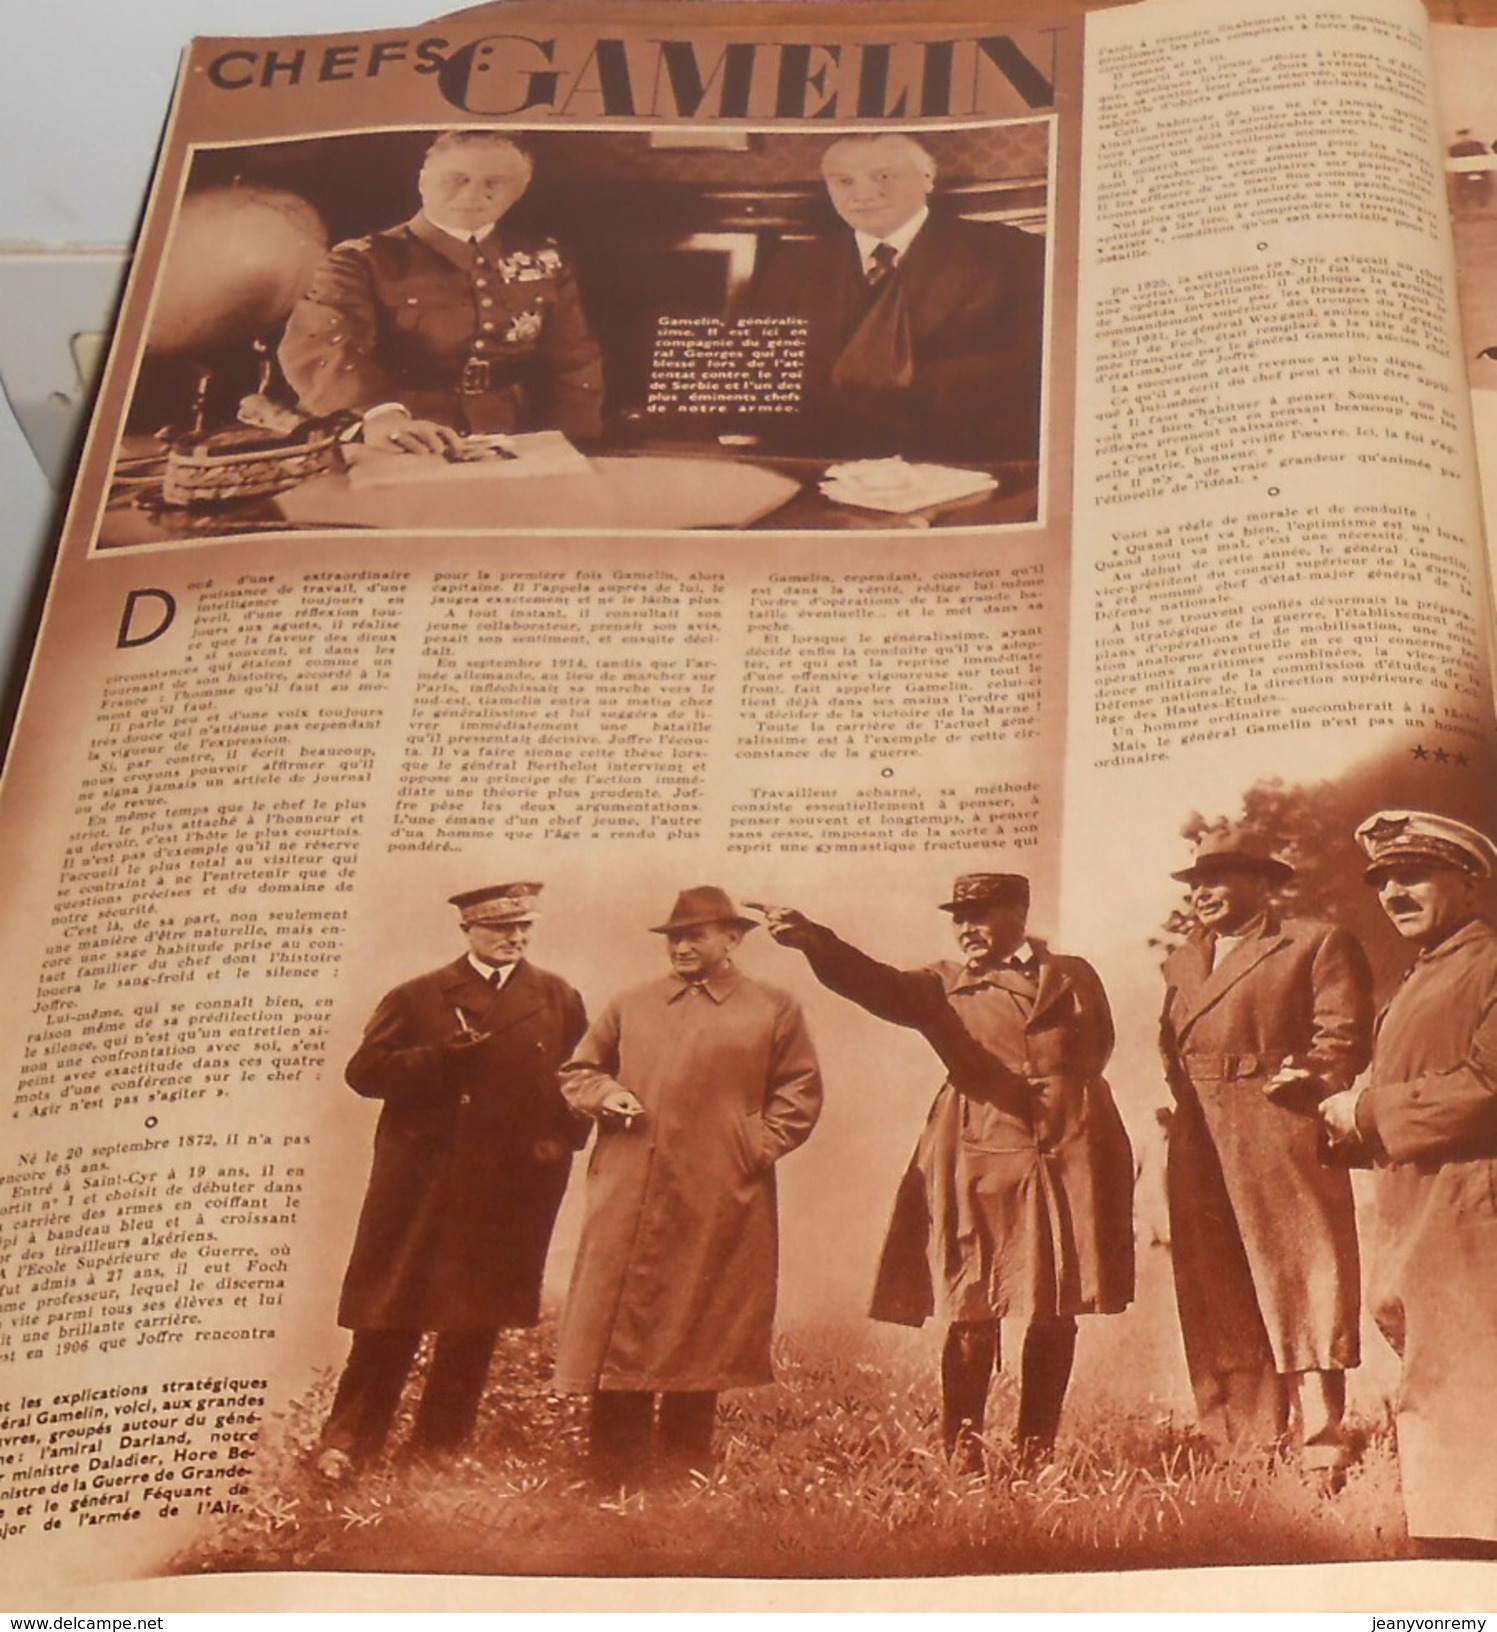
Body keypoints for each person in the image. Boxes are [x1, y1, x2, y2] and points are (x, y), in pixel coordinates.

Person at [762, 873, 1134, 1472]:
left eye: (981, 915)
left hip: (1068, 1149)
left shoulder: (1074, 974)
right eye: (958, 917)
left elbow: (1099, 1046)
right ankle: (964, 1456)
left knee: (1057, 1302)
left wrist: (1067, 1102)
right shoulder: (941, 984)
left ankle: (1037, 1453)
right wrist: (814, 941)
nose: (966, 928)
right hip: (980, 1145)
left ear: (1019, 913)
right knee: (975, 1299)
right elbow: (874, 983)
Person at [314, 882, 588, 1482]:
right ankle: (347, 1445)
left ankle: (436, 1450)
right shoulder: (417, 997)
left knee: (474, 1319)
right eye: (500, 929)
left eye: (523, 928)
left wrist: (562, 1137)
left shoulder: (556, 996)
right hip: (425, 1180)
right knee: (392, 1311)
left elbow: (582, 1074)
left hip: (509, 1185)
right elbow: (364, 1073)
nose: (514, 939)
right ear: (468, 929)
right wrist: (441, 1057)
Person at [552, 887, 822, 1488]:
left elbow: (799, 1091)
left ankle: (681, 1474)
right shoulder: (634, 1003)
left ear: (732, 939)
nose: (682, 945)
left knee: (701, 1325)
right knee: (621, 1322)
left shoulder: (772, 1007)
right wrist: (605, 1095)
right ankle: (610, 1478)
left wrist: (752, 1147)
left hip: (720, 1191)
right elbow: (579, 1070)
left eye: (696, 935)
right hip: (632, 1186)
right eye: (675, 935)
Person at [1159, 827, 1373, 1475]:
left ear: (1261, 884)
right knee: (1215, 1284)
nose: (1204, 893)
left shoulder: (1311, 941)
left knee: (1302, 1275)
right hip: (1199, 1136)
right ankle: (1241, 1445)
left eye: (1220, 879)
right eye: (1197, 882)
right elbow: (1168, 1049)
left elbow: (1343, 1035)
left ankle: (1322, 1443)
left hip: (1278, 1124)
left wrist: (1311, 1074)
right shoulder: (1182, 961)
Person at [1319, 810, 1497, 1554]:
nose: (1394, 891)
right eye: (1384, 880)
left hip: (1472, 1210)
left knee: (1465, 1390)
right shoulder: (1424, 974)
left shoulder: (1487, 963)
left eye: (1413, 873)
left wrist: (1365, 1109)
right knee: (1437, 1386)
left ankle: (1460, 1563)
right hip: (1421, 1211)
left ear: (1466, 880)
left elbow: (1488, 1082)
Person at [279, 131, 604, 454]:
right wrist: (382, 416)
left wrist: (573, 442)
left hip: (518, 430)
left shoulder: (545, 258)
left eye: (496, 182)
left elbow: (574, 360)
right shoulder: (362, 261)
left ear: (520, 190)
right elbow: (325, 348)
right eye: (457, 179)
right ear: (423, 181)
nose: (474, 194)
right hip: (404, 433)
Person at [749, 133, 1045, 465]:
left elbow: (1033, 363)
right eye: (844, 181)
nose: (862, 194)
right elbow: (764, 370)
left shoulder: (1008, 252)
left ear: (927, 179)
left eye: (883, 177)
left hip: (959, 457)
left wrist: (898, 379)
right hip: (821, 458)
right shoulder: (794, 263)